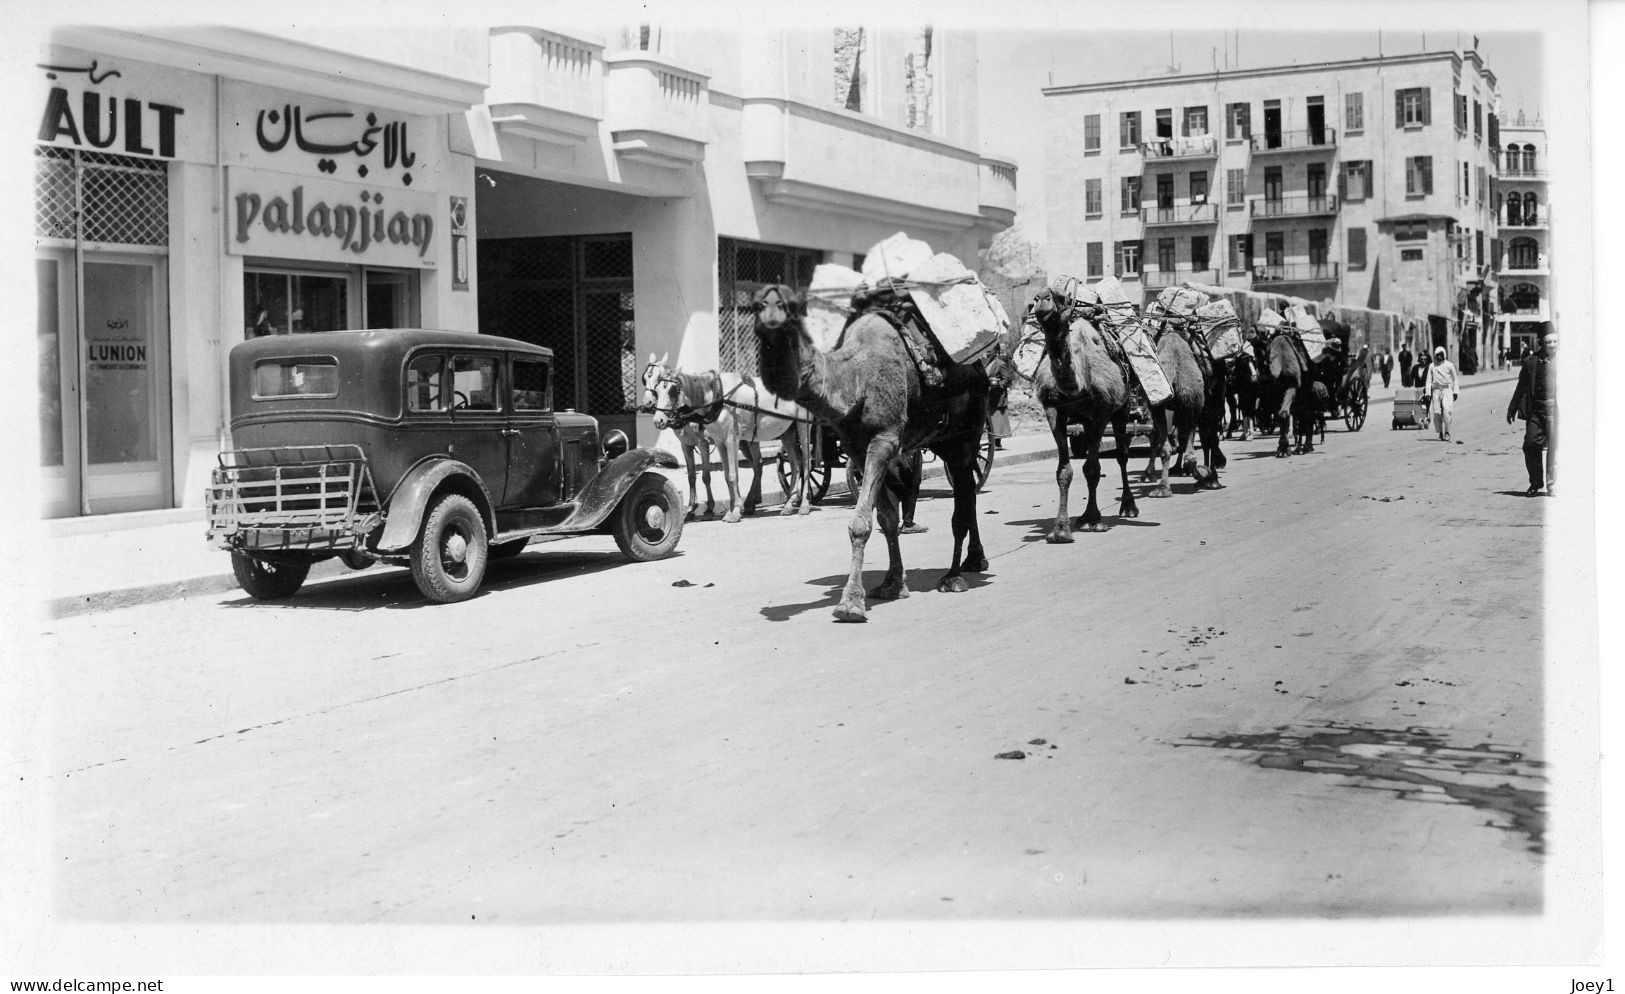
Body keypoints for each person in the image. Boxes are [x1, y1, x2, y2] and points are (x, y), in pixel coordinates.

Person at [1506, 330, 1557, 496]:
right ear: (1541, 343)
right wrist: (1512, 408)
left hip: (1556, 410)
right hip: (1536, 410)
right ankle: (1535, 482)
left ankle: (1552, 485)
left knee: (1555, 448)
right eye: (1549, 342)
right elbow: (1520, 387)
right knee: (1530, 444)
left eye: (1555, 342)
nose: (1552, 345)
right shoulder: (1530, 362)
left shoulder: (1565, 361)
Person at [1426, 346, 1460, 442]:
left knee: (1446, 411)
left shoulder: (1449, 365)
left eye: (1441, 355)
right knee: (1437, 412)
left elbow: (1455, 378)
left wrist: (1455, 391)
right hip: (1436, 390)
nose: (1439, 357)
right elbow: (1428, 380)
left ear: (1444, 355)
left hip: (1447, 390)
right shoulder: (1432, 366)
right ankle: (1440, 432)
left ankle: (1447, 432)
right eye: (1438, 355)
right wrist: (1428, 393)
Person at [985, 343, 1012, 449]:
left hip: (998, 396)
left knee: (997, 419)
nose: (987, 352)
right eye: (986, 350)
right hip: (990, 395)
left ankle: (997, 443)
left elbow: (1007, 379)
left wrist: (998, 385)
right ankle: (992, 442)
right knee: (990, 419)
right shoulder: (988, 363)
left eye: (989, 350)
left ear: (996, 352)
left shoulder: (1000, 363)